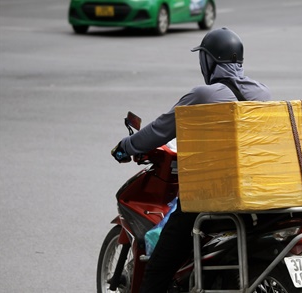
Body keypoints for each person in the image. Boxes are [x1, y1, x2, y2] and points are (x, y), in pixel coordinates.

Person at [111, 27, 272, 293]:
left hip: (212, 196)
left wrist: (125, 146)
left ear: (208, 61)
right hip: (259, 194)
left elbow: (159, 130)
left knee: (159, 267)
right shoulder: (263, 94)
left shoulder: (204, 95)